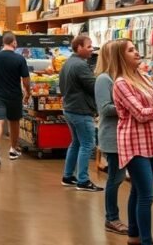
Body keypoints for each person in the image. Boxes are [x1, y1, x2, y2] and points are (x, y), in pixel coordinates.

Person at [112, 39, 153, 245]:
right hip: (134, 143)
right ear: (121, 57)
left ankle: (134, 236)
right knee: (147, 195)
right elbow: (140, 113)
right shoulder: (121, 83)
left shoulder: (143, 76)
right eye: (131, 50)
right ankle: (146, 241)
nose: (136, 52)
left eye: (135, 49)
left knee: (138, 191)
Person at [59, 34, 101, 191]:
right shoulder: (80, 65)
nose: (92, 50)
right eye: (89, 46)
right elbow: (93, 87)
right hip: (81, 110)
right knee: (88, 144)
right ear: (79, 48)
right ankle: (83, 180)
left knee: (76, 143)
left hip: (70, 108)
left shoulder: (68, 63)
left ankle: (68, 176)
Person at [95, 42, 129, 235]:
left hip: (126, 136)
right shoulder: (104, 79)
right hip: (112, 137)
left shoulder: (121, 78)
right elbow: (105, 108)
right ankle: (112, 218)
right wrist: (131, 108)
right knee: (115, 179)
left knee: (119, 177)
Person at [0, 32, 31, 165]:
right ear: (14, 42)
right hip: (14, 95)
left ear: (3, 43)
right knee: (14, 121)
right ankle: (13, 149)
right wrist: (28, 92)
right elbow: (26, 79)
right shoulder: (20, 59)